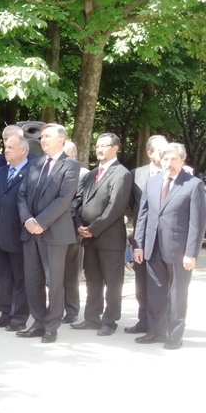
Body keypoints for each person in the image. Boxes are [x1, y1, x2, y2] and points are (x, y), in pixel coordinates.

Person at [132, 143, 206, 350]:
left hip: (179, 251)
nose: (169, 163)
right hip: (152, 247)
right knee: (155, 292)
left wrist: (191, 253)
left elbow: (197, 223)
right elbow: (143, 215)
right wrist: (138, 245)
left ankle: (175, 335)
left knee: (177, 294)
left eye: (173, 159)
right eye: (165, 159)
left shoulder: (193, 184)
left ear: (182, 160)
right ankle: (155, 332)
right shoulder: (152, 182)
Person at [16, 123, 80, 343]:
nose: (43, 139)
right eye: (42, 136)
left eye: (48, 136)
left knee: (54, 283)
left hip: (54, 234)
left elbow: (64, 199)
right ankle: (38, 322)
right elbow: (21, 195)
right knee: (33, 281)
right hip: (31, 232)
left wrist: (40, 222)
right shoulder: (35, 163)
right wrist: (28, 220)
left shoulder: (70, 165)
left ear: (61, 140)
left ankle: (52, 326)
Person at [70, 133, 132, 336]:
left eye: (104, 146)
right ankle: (92, 318)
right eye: (97, 145)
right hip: (89, 238)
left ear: (115, 148)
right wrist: (79, 225)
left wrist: (93, 229)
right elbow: (79, 201)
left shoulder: (121, 174)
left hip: (110, 239)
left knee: (113, 282)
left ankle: (110, 321)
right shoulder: (91, 174)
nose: (99, 149)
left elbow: (115, 207)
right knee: (93, 280)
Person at [0, 134, 30, 331]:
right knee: (3, 278)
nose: (6, 150)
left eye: (11, 147)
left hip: (20, 236)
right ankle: (5, 314)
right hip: (0, 235)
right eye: (5, 146)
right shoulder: (0, 172)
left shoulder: (32, 172)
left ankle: (18, 318)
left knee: (20, 279)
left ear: (23, 150)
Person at [125, 134, 168, 334]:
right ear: (149, 153)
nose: (166, 154)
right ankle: (143, 321)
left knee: (164, 283)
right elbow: (130, 203)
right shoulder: (136, 174)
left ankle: (162, 324)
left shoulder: (176, 172)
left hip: (167, 238)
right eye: (161, 150)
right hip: (142, 236)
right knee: (141, 283)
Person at [60, 139, 88, 324]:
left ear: (73, 155)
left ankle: (71, 310)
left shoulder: (83, 174)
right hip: (54, 228)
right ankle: (57, 307)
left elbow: (78, 201)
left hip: (72, 228)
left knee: (70, 272)